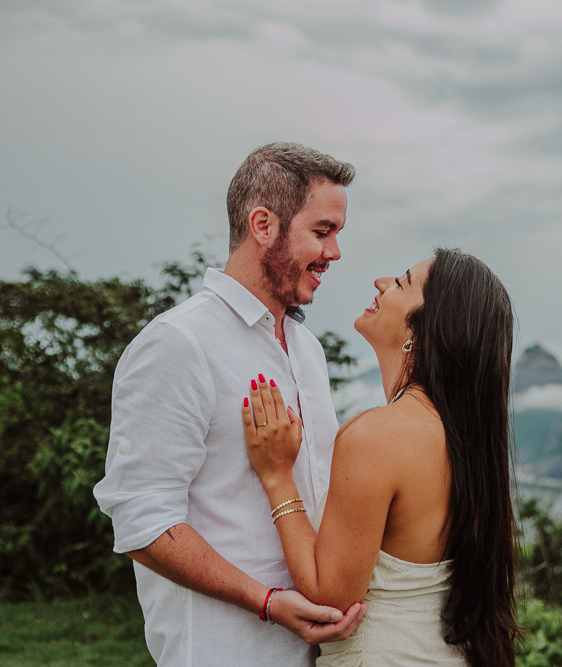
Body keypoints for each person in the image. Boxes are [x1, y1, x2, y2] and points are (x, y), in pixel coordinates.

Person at [93, 143, 366, 666]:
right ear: (263, 225)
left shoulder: (307, 348)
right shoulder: (178, 342)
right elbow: (142, 522)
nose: (334, 254)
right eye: (323, 232)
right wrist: (264, 602)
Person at [241, 248, 519, 666]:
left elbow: (328, 596)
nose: (381, 283)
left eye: (402, 282)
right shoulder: (464, 437)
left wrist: (278, 475)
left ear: (422, 330)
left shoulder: (377, 436)